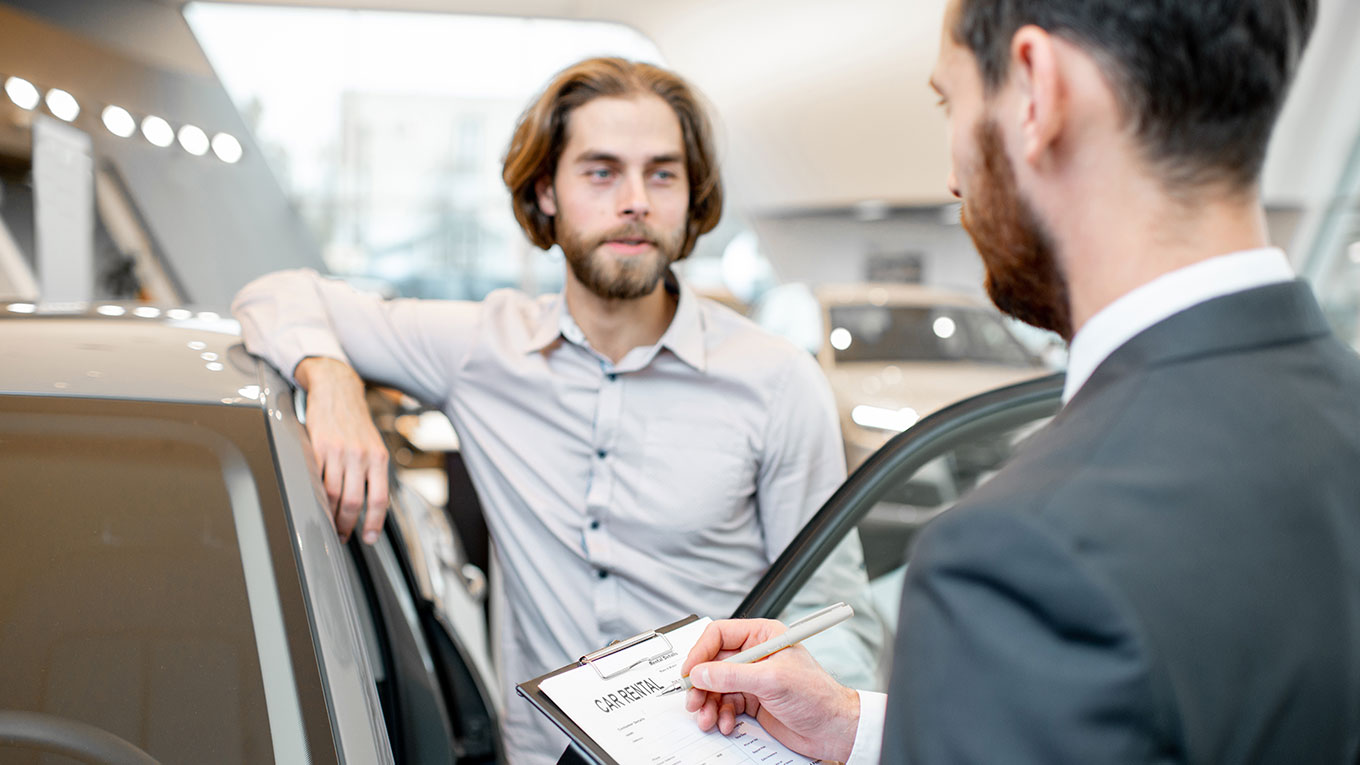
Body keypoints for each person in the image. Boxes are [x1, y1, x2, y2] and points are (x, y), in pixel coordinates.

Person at [681, 0, 1360, 762]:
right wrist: (860, 724)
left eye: (952, 103)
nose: (950, 177)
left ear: (1036, 90)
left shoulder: (1019, 558)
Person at [232, 58, 857, 765]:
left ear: (692, 197)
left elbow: (829, 619)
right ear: (546, 192)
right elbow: (273, 294)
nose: (635, 202)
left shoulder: (777, 381)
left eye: (662, 173)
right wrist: (332, 379)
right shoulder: (481, 349)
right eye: (600, 172)